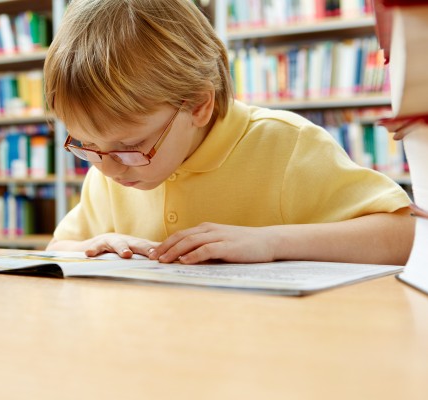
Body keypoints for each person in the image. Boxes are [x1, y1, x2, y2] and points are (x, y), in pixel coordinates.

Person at [43, 0, 414, 265]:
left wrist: (271, 242)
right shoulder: (110, 169)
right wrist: (94, 247)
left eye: (132, 146)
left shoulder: (285, 146)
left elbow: (405, 235)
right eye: (87, 145)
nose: (107, 169)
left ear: (199, 106)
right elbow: (59, 247)